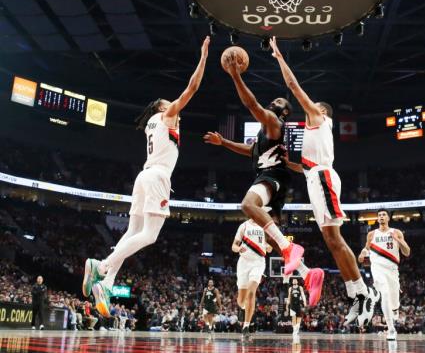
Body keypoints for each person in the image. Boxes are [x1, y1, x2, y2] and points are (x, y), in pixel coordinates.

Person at [82, 37, 211, 317]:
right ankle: (101, 266)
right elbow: (192, 88)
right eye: (170, 103)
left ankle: (106, 282)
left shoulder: (152, 125)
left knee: (131, 233)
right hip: (157, 178)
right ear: (163, 108)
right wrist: (203, 58)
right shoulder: (166, 117)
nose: (175, 107)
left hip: (144, 176)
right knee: (150, 236)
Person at [269, 37, 378, 327]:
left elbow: (293, 87)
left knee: (336, 239)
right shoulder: (312, 133)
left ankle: (365, 292)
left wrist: (279, 57)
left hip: (324, 177)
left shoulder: (318, 117)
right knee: (331, 241)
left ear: (323, 111)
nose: (309, 107)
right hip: (313, 177)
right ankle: (355, 293)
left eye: (314, 105)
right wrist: (281, 160)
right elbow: (302, 167)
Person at [205, 48, 324, 304]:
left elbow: (251, 104)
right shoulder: (264, 135)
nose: (274, 102)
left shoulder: (273, 121)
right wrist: (223, 141)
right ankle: (308, 273)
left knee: (248, 205)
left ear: (282, 112)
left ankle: (293, 249)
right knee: (271, 234)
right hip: (275, 177)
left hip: (272, 176)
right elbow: (249, 150)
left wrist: (235, 75)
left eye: (279, 102)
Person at [358, 209, 410, 340]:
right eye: (379, 215)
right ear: (377, 219)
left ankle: (395, 308)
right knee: (384, 294)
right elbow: (367, 248)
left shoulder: (396, 232)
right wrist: (362, 253)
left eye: (383, 215)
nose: (381, 216)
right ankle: (391, 329)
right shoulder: (371, 234)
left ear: (388, 218)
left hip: (392, 270)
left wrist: (399, 240)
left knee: (393, 300)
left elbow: (407, 252)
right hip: (377, 269)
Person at [232, 217, 272, 339]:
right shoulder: (243, 226)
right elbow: (233, 246)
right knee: (240, 301)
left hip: (258, 262)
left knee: (251, 292)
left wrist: (268, 246)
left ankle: (246, 325)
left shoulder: (264, 227)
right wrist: (238, 248)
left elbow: (270, 247)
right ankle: (246, 307)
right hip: (243, 263)